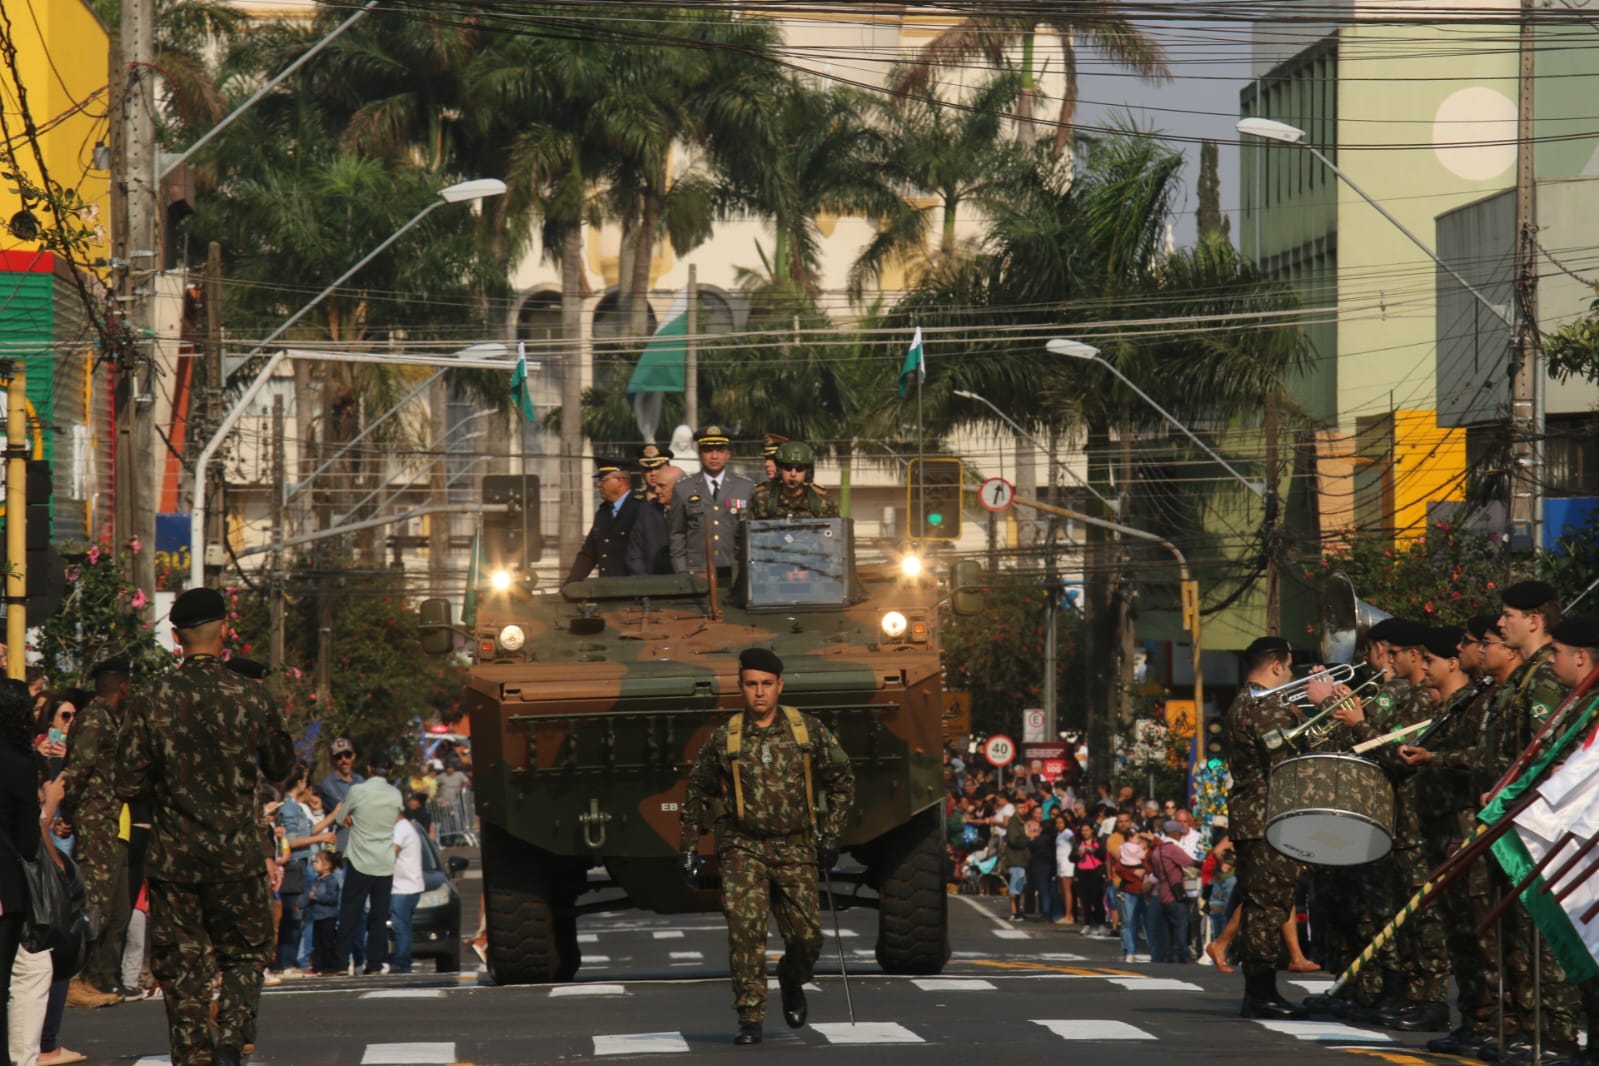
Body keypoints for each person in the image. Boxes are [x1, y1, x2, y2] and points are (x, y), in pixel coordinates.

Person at [116, 587, 294, 1066]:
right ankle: (233, 1040)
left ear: (176, 637)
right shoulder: (251, 695)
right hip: (238, 855)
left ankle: (193, 1054)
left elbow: (127, 782)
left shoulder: (150, 699)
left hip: (176, 860)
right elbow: (281, 765)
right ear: (225, 631)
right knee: (244, 954)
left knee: (182, 967)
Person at [679, 647, 854, 1046]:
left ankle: (792, 978)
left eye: (766, 684)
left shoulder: (806, 731)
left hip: (796, 847)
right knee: (745, 932)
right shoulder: (726, 738)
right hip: (743, 848)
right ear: (741, 687)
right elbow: (698, 792)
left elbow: (843, 779)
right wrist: (689, 846)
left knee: (808, 936)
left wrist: (831, 832)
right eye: (751, 684)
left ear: (780, 685)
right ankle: (750, 1016)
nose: (759, 693)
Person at [1227, 635, 1363, 1019]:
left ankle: (1260, 991)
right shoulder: (1266, 709)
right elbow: (1306, 754)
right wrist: (1330, 706)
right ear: (1275, 667)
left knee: (1262, 907)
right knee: (1268, 908)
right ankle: (1261, 993)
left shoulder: (1247, 703)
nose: (1290, 675)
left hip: (1255, 816)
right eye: (1288, 668)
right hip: (1267, 816)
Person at [60, 659, 137, 1007]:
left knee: (118, 909)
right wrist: (66, 813)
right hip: (95, 823)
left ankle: (103, 978)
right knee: (94, 905)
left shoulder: (109, 718)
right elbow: (77, 768)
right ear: (122, 686)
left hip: (112, 821)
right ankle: (76, 979)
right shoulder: (94, 718)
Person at [331, 754, 404, 976]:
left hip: (360, 859)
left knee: (349, 913)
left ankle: (342, 963)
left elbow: (340, 817)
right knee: (379, 916)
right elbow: (395, 817)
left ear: (370, 768)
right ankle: (375, 963)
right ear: (390, 770)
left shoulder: (358, 791)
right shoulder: (395, 794)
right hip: (384, 861)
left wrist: (352, 816)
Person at [670, 425, 756, 575]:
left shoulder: (746, 487)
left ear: (728, 454)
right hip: (697, 570)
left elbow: (753, 533)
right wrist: (682, 568)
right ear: (700, 453)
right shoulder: (683, 488)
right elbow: (677, 533)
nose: (714, 456)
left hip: (736, 569)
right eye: (708, 450)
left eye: (720, 450)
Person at [565, 460, 642, 585]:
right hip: (607, 588)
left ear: (620, 481)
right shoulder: (603, 512)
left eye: (603, 480)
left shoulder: (641, 507)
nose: (599, 485)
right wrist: (571, 583)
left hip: (634, 588)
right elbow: (588, 554)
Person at [746, 441, 839, 520]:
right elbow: (745, 535)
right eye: (788, 468)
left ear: (807, 472)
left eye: (799, 468)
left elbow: (836, 535)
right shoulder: (761, 500)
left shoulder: (822, 504)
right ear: (779, 469)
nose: (793, 474)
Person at [626, 464, 684, 576]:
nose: (656, 491)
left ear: (679, 486)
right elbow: (634, 554)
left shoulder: (694, 512)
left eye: (662, 486)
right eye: (656, 486)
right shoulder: (646, 511)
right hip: (653, 584)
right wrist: (647, 584)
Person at [389, 812, 424, 975]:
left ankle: (401, 963)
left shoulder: (401, 829)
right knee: (403, 925)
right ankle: (403, 962)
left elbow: (391, 852)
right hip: (408, 886)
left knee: (400, 926)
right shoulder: (406, 827)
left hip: (403, 887)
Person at [306, 850, 342, 976]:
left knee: (327, 942)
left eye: (317, 862)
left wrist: (315, 897)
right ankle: (317, 966)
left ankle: (328, 966)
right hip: (317, 916)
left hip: (328, 916)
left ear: (327, 865)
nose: (314, 864)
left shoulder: (331, 881)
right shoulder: (317, 879)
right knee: (317, 943)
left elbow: (332, 899)